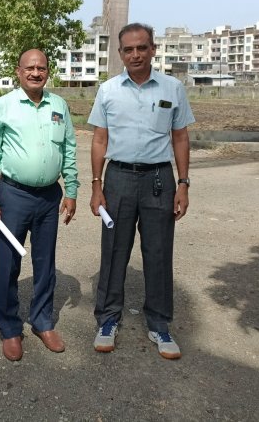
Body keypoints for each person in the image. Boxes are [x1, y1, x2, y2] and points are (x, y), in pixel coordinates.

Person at [88, 22, 195, 360]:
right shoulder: (108, 90)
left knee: (159, 252)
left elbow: (180, 137)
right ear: (120, 54)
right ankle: (107, 320)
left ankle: (160, 324)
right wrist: (96, 185)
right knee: (114, 251)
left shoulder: (172, 88)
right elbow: (100, 139)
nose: (135, 54)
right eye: (128, 49)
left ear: (153, 49)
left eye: (141, 48)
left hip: (159, 181)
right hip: (117, 179)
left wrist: (183, 183)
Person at [0, 49, 79, 361]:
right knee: (9, 263)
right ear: (18, 71)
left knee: (45, 262)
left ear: (48, 71)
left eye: (42, 68)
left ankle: (42, 321)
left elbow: (69, 149)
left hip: (49, 197)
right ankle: (9, 328)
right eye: (30, 68)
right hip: (13, 196)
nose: (36, 73)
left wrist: (71, 189)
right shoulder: (3, 106)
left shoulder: (58, 105)